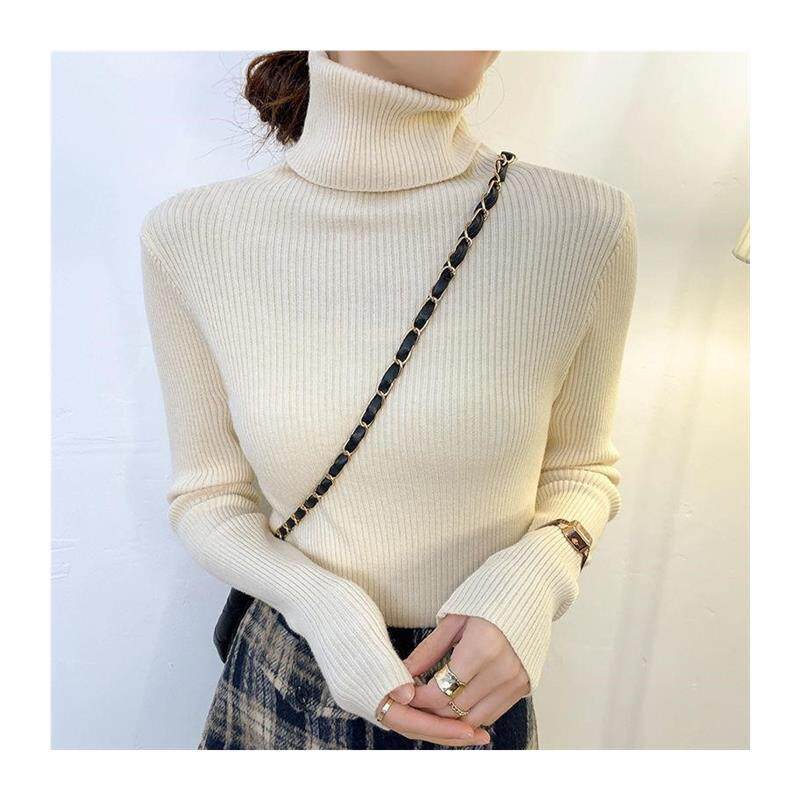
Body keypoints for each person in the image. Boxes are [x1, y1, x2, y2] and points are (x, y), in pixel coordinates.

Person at [141, 50, 637, 750]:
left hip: (471, 692)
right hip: (286, 677)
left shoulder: (585, 224)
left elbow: (581, 469)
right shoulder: (191, 235)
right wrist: (322, 604)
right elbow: (209, 495)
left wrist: (536, 576)